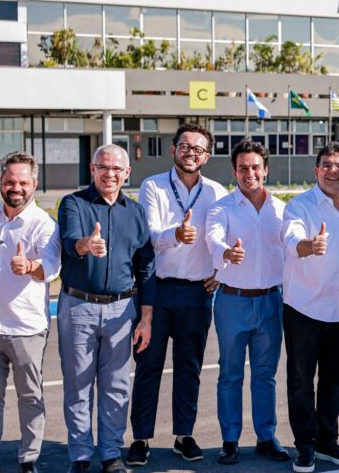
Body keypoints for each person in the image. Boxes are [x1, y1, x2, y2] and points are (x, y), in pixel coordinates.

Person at [126, 124, 228, 466]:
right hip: (157, 288)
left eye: (198, 149)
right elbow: (149, 235)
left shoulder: (217, 191)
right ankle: (140, 438)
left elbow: (223, 237)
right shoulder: (153, 186)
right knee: (148, 365)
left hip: (197, 292)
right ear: (173, 149)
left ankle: (184, 435)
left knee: (189, 367)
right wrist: (177, 234)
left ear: (207, 156)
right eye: (185, 146)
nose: (191, 153)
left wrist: (220, 272)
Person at [58, 144, 156, 473]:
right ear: (92, 168)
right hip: (78, 307)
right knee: (78, 384)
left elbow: (146, 267)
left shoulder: (136, 211)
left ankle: (111, 453)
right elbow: (71, 242)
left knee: (116, 386)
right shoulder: (74, 203)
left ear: (127, 173)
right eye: (103, 166)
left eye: (117, 168)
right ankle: (81, 456)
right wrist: (87, 244)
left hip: (122, 310)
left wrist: (146, 317)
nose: (110, 173)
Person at [281, 142, 339, 473]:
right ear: (316, 171)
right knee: (301, 380)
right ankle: (305, 446)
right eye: (326, 165)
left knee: (336, 379)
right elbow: (291, 240)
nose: (333, 171)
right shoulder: (300, 206)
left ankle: (327, 440)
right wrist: (308, 246)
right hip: (304, 307)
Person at [205, 138, 289, 466]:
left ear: (265, 169)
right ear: (234, 171)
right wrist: (225, 252)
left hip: (270, 302)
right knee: (230, 372)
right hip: (231, 302)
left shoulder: (282, 210)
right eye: (243, 168)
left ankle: (266, 436)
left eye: (255, 167)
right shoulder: (221, 209)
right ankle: (229, 439)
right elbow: (212, 238)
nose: (249, 173)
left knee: (265, 374)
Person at [0, 152, 61, 473]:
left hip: (27, 328)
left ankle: (28, 459)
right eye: (9, 181)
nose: (16, 187)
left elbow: (52, 267)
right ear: (0, 183)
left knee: (30, 397)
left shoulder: (43, 224)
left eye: (22, 182)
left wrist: (29, 266)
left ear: (34, 184)